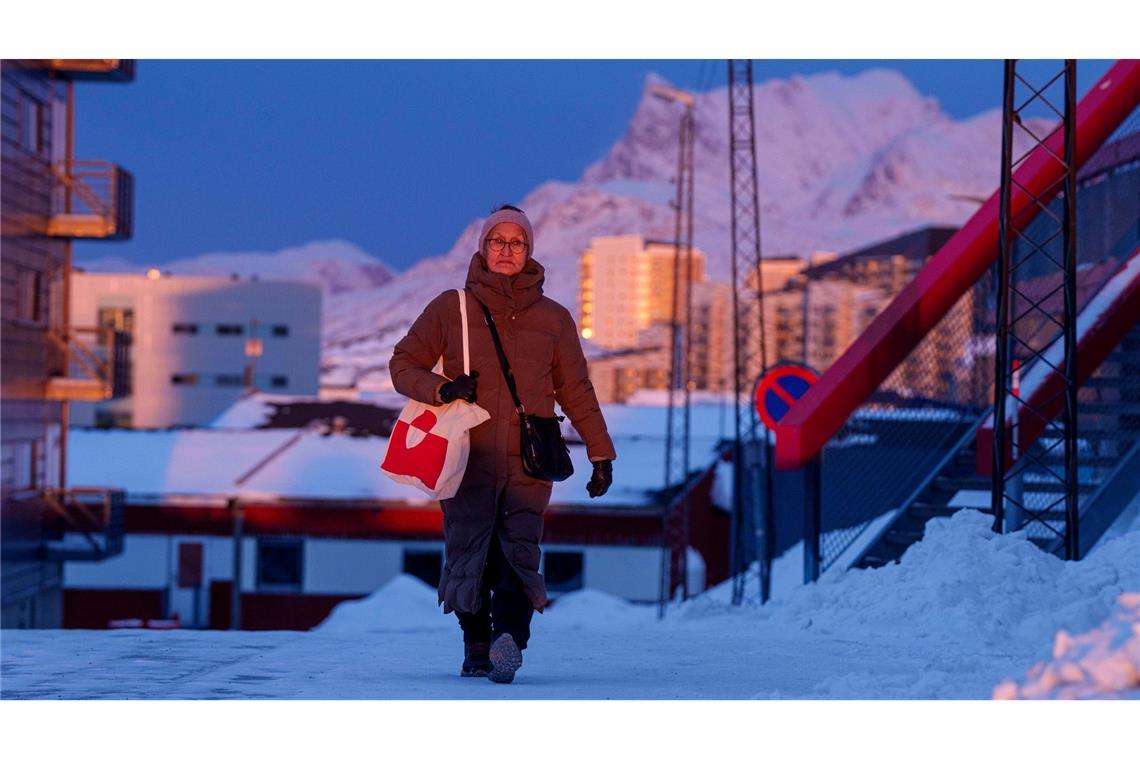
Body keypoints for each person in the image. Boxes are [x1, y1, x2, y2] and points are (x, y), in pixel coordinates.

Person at [389, 204, 616, 684]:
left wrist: (601, 453)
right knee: (470, 547)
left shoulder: (554, 318)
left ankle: (508, 638)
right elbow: (403, 364)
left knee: (519, 548)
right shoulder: (451, 308)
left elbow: (576, 389)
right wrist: (442, 389)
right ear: (483, 247)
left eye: (517, 242)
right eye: (498, 241)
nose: (507, 250)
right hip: (466, 452)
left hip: (529, 456)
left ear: (529, 250)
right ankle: (476, 643)